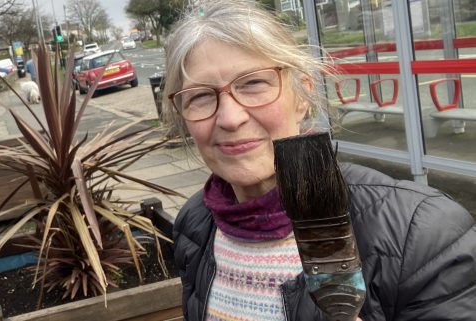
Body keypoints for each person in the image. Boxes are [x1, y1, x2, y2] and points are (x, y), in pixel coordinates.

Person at [163, 1, 476, 320]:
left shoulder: (420, 233)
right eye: (200, 96)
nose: (230, 118)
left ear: (302, 96)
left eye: (254, 83)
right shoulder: (194, 223)